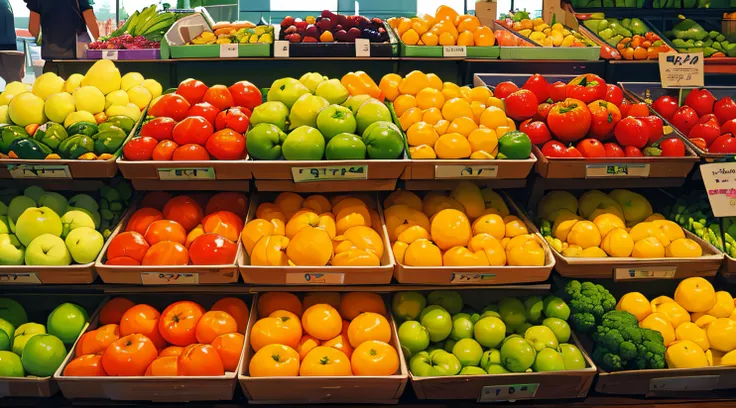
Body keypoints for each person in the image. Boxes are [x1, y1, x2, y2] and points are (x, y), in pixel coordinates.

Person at [26, 0, 100, 59]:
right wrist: (101, 43)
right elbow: (90, 20)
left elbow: (33, 29)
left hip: (50, 55)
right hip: (76, 55)